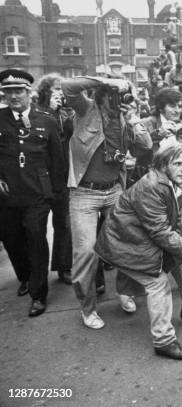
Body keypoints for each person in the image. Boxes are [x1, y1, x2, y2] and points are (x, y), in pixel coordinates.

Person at [94, 144, 182, 360]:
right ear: (163, 165)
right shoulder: (151, 186)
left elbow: (174, 223)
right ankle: (163, 341)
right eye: (177, 164)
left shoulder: (174, 183)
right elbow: (160, 230)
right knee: (158, 282)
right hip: (125, 243)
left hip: (140, 238)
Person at [62, 75, 152, 329]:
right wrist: (105, 80)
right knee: (86, 252)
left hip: (114, 189)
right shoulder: (86, 109)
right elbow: (67, 86)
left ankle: (125, 291)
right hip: (84, 193)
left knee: (128, 241)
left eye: (121, 96)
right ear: (101, 94)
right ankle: (88, 308)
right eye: (112, 95)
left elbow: (145, 146)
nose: (116, 101)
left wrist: (132, 116)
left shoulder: (125, 117)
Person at [0, 69, 65, 317]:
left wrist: (58, 195)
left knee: (36, 237)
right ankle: (25, 277)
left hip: (38, 192)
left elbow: (57, 161)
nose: (14, 96)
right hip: (6, 194)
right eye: (8, 92)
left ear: (29, 93)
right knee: (12, 239)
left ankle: (39, 295)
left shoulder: (46, 120)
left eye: (18, 91)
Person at [36, 73, 74, 285]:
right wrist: (51, 109)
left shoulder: (64, 114)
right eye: (57, 89)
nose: (61, 93)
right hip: (40, 178)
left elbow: (71, 133)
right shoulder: (38, 112)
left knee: (65, 224)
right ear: (46, 92)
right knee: (37, 228)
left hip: (61, 177)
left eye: (62, 90)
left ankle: (64, 266)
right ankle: (33, 272)